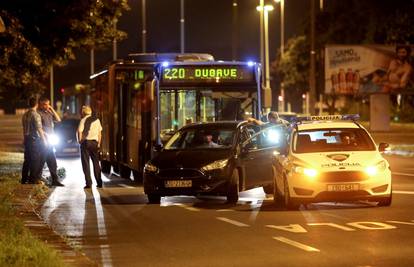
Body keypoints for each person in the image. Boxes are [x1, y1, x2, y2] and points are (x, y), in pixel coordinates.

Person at [37, 97, 64, 186]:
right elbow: (39, 128)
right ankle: (37, 178)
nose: (47, 106)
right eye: (45, 104)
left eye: (48, 104)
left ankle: (55, 180)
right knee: (41, 160)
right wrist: (45, 135)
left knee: (52, 161)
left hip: (50, 141)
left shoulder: (49, 113)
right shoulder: (38, 114)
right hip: (43, 141)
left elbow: (58, 120)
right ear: (40, 104)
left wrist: (52, 109)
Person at [21, 97, 47, 184]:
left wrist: (24, 140)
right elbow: (39, 129)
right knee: (35, 159)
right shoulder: (36, 115)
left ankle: (24, 179)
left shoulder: (24, 115)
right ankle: (33, 179)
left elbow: (24, 129)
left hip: (27, 139)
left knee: (27, 160)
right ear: (36, 104)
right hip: (34, 140)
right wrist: (44, 141)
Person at [77, 106, 103, 189]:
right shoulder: (97, 120)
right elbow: (99, 133)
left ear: (83, 112)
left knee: (86, 163)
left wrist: (80, 141)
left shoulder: (83, 120)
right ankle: (99, 182)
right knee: (96, 163)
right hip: (94, 143)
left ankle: (89, 183)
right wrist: (99, 143)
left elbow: (79, 131)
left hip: (86, 143)